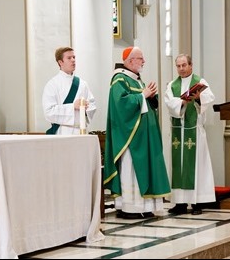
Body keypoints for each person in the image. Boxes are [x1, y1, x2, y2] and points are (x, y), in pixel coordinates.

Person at [103, 46, 171, 219]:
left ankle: (145, 206)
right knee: (131, 169)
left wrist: (150, 97)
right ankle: (130, 207)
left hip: (144, 137)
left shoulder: (137, 80)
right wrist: (143, 95)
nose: (144, 61)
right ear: (130, 60)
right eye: (141, 58)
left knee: (144, 168)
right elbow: (121, 105)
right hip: (131, 139)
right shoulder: (119, 79)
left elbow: (145, 104)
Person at [164, 54, 216, 215]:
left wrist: (199, 98)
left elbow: (209, 99)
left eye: (184, 65)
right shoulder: (172, 85)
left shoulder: (200, 82)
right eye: (178, 66)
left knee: (197, 166)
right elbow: (169, 103)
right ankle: (179, 203)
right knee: (178, 166)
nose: (181, 68)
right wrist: (183, 102)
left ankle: (197, 203)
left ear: (191, 65)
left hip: (194, 131)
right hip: (178, 133)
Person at [42, 47, 96, 135]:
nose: (73, 60)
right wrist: (73, 106)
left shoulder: (83, 84)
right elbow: (49, 112)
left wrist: (86, 107)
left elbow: (92, 105)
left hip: (81, 130)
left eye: (74, 57)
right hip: (63, 131)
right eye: (69, 58)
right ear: (60, 62)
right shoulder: (52, 84)